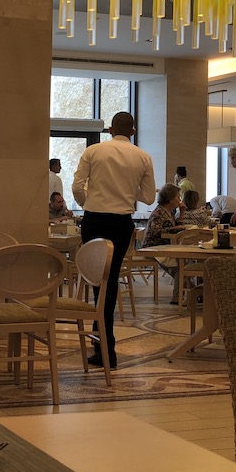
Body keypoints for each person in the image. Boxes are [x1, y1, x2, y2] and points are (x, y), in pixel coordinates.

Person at [72, 111, 156, 369]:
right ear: (133, 131)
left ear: (110, 130)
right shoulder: (143, 156)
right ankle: (104, 343)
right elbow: (149, 197)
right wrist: (126, 190)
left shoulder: (93, 151)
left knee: (97, 281)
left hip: (94, 220)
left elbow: (76, 187)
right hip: (121, 223)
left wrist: (89, 204)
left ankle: (104, 345)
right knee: (110, 280)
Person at [142, 183, 185, 302]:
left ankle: (192, 293)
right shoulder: (159, 212)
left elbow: (173, 226)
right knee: (180, 267)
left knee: (182, 265)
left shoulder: (168, 211)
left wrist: (181, 214)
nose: (179, 200)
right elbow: (156, 231)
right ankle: (178, 298)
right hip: (154, 247)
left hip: (163, 247)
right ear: (170, 199)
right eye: (178, 197)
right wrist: (173, 228)